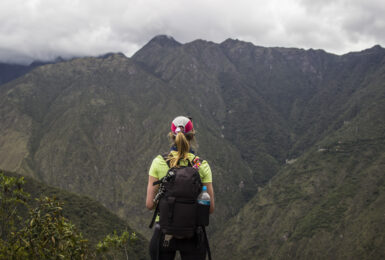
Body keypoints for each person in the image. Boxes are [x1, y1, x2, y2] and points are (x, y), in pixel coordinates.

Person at [146, 116, 215, 260]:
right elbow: (210, 208)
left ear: (171, 136)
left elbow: (150, 204)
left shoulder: (159, 162)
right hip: (193, 234)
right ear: (192, 136)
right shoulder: (202, 165)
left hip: (164, 232)